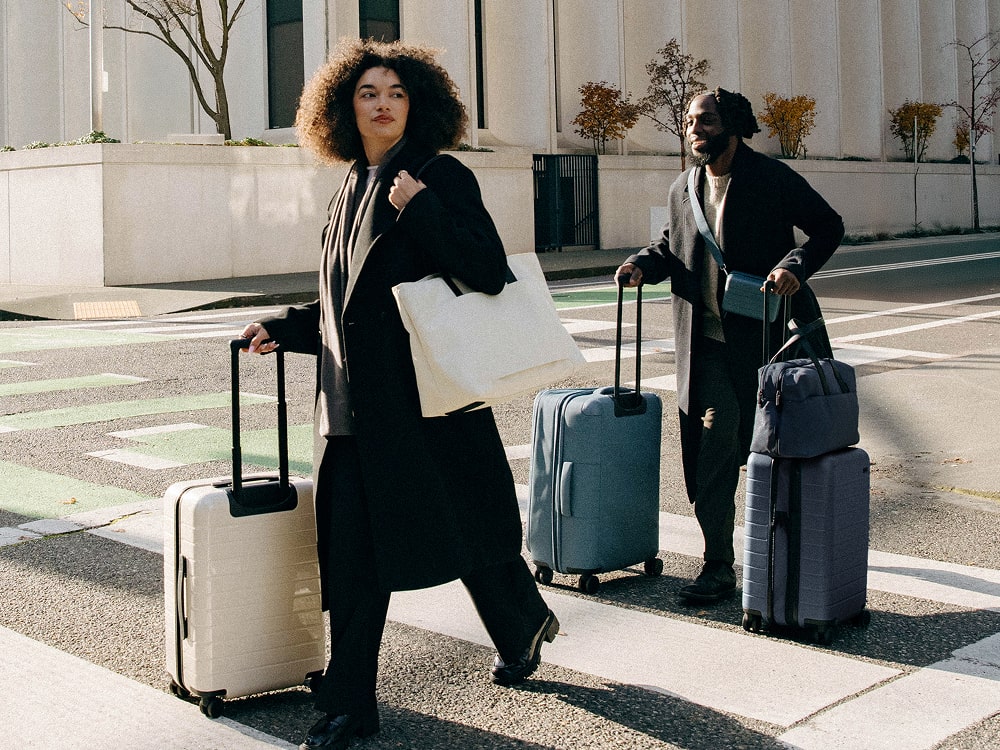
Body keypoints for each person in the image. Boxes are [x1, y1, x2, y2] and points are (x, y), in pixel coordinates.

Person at [241, 39, 558, 750]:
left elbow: (485, 270)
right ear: (342, 108)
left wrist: (422, 211)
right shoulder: (351, 186)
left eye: (395, 93)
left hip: (426, 410)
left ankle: (522, 623)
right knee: (353, 559)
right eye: (368, 93)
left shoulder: (437, 175)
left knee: (468, 537)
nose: (382, 104)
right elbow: (341, 305)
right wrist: (282, 327)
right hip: (351, 413)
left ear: (417, 104)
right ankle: (352, 704)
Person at [615, 88, 844, 604]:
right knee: (713, 447)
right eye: (690, 122)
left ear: (733, 125)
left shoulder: (771, 178)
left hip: (769, 344)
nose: (695, 129)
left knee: (780, 451)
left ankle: (788, 552)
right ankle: (718, 562)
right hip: (707, 346)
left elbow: (828, 226)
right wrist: (640, 265)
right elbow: (670, 247)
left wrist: (794, 265)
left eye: (706, 121)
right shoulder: (684, 187)